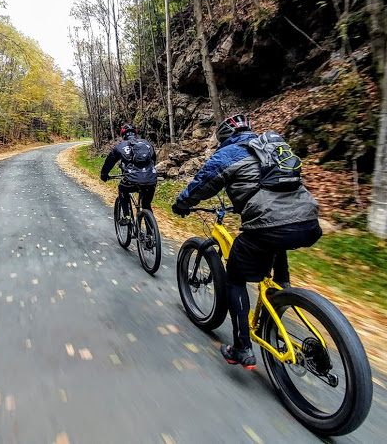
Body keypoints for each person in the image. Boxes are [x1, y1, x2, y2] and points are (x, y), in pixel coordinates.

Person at [171, 114, 322, 370]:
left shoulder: (229, 153)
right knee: (274, 247)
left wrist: (182, 203)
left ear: (224, 138)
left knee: (235, 277)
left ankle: (242, 348)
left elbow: (202, 185)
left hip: (269, 224)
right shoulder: (271, 147)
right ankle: (281, 299)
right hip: (307, 220)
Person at [100, 123, 158, 225]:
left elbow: (109, 162)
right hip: (151, 179)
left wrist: (104, 175)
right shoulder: (146, 143)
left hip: (132, 180)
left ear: (123, 135)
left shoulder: (120, 146)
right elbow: (153, 159)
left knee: (122, 188)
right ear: (135, 133)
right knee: (146, 205)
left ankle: (126, 216)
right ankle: (151, 235)